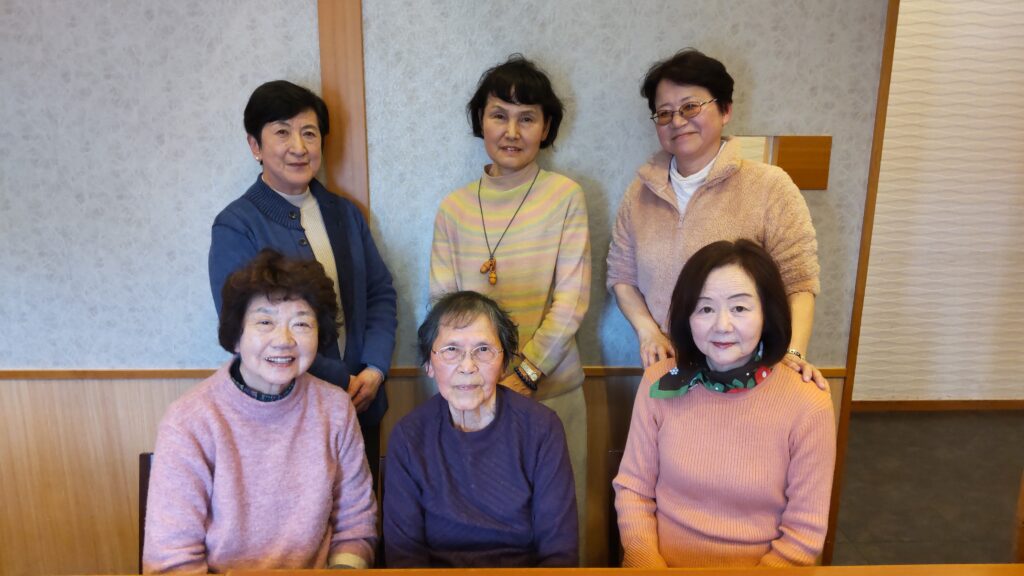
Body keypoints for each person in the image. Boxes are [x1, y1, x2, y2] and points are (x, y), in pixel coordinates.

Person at [429, 55, 591, 547]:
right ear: (481, 121)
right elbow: (442, 307)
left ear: (547, 128)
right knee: (480, 531)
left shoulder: (565, 196)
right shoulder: (454, 207)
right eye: (499, 115)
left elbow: (571, 300)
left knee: (557, 529)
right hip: (470, 396)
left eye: (527, 118)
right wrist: (479, 379)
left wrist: (525, 375)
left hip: (552, 391)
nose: (512, 131)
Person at [208, 80, 397, 480]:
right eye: (282, 132)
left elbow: (379, 293)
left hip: (363, 403)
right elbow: (244, 328)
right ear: (255, 146)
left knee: (361, 512)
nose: (299, 146)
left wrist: (375, 369)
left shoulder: (345, 214)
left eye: (309, 133)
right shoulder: (236, 225)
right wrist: (341, 380)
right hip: (286, 412)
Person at [144, 250, 377, 573]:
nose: (283, 340)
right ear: (236, 337)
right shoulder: (189, 420)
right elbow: (171, 560)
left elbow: (356, 526)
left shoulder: (336, 409)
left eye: (301, 323)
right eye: (265, 322)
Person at [606, 48, 824, 387]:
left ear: (725, 110)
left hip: (751, 371)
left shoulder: (770, 186)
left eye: (690, 107)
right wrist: (648, 332)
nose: (677, 121)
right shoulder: (639, 193)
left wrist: (793, 352)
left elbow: (799, 282)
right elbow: (621, 276)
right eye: (664, 113)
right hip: (671, 369)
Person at [613, 239, 836, 568]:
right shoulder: (660, 384)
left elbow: (805, 533)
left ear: (767, 314)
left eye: (740, 308)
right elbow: (633, 490)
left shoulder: (807, 402)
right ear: (687, 316)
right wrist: (649, 566)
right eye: (705, 309)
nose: (722, 325)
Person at [384, 291, 578, 567]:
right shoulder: (408, 436)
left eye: (483, 350)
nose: (467, 366)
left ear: (504, 363)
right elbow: (404, 558)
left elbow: (559, 553)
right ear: (429, 364)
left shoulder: (542, 429)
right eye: (451, 350)